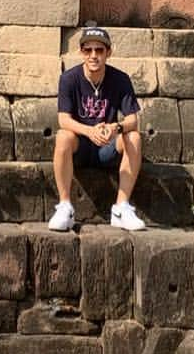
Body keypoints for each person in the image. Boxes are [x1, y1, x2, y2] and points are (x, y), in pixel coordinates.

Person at [48, 24, 145, 233]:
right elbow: (63, 119)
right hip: (80, 146)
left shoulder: (120, 79)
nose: (93, 56)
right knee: (63, 136)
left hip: (107, 146)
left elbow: (132, 120)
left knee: (134, 137)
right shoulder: (69, 79)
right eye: (88, 50)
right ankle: (65, 206)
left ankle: (121, 208)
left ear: (108, 53)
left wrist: (114, 128)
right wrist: (88, 131)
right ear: (81, 52)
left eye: (99, 50)